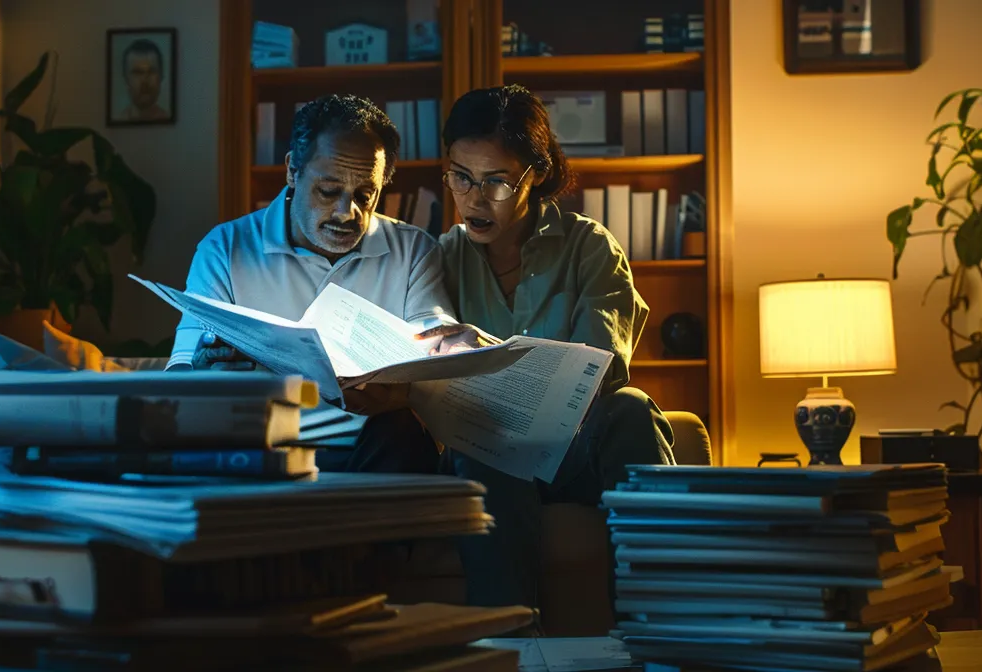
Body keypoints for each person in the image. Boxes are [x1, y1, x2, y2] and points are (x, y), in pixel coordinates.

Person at [421, 84, 676, 609]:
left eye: (495, 181)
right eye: (461, 177)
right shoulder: (443, 256)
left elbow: (603, 370)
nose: (473, 198)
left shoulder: (589, 245)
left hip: (573, 452)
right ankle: (511, 640)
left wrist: (492, 356)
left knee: (630, 409)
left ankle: (661, 622)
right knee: (481, 441)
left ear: (534, 174)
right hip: (486, 454)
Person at [167, 94, 448, 473]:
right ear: (292, 171)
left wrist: (413, 383)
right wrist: (203, 370)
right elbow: (182, 367)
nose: (346, 213)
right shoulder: (226, 248)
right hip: (262, 442)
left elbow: (434, 339)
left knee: (403, 432)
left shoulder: (413, 250)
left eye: (365, 195)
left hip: (370, 446)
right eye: (328, 191)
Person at [119, 38, 169, 122]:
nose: (145, 81)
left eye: (152, 71)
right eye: (137, 73)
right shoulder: (119, 119)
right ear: (126, 78)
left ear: (161, 76)